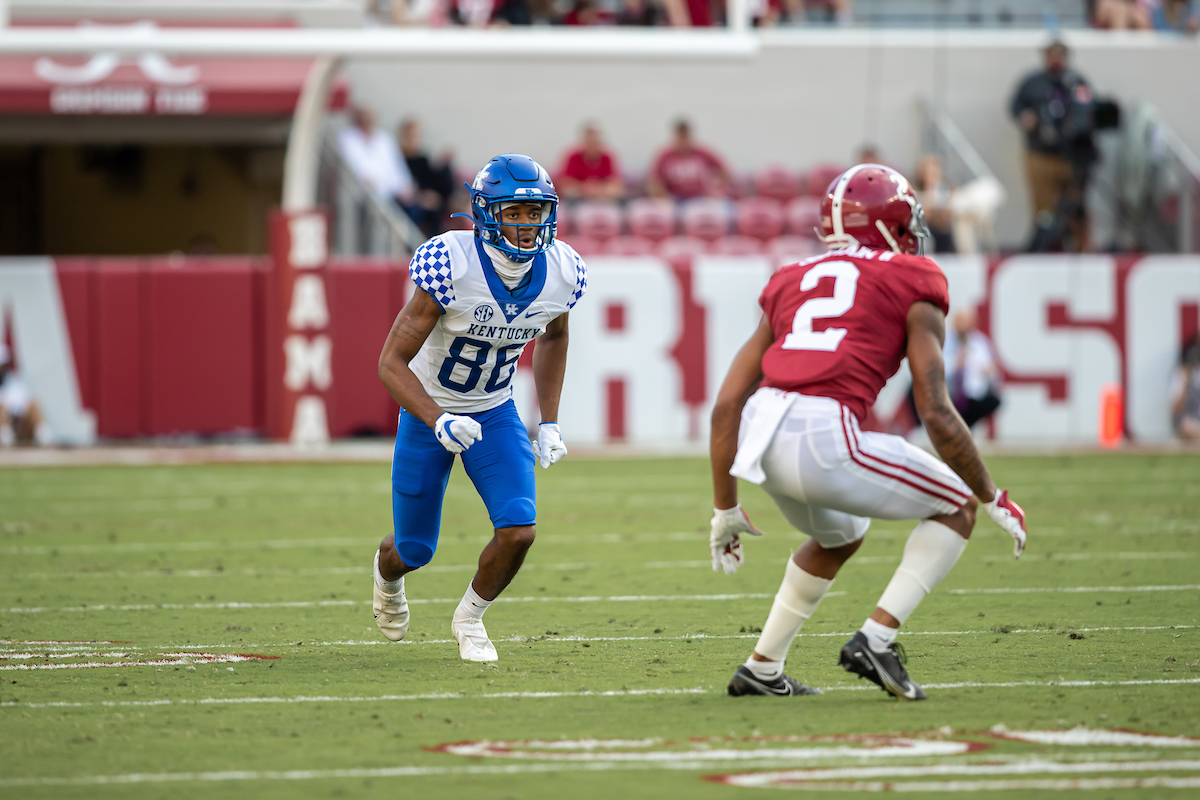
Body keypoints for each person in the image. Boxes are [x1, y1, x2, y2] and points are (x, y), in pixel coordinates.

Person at [708, 164, 1028, 701]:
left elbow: (726, 405)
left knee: (841, 534)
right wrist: (991, 494)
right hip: (822, 432)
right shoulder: (914, 276)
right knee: (957, 507)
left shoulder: (791, 277)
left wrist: (724, 509)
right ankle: (876, 640)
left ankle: (762, 667)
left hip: (762, 438)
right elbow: (936, 411)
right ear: (890, 224)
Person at [371, 154, 587, 662]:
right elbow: (391, 362)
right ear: (487, 212)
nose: (529, 224)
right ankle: (385, 576)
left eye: (536, 212)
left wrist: (549, 419)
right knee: (414, 550)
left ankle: (469, 619)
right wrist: (437, 417)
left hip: (494, 410)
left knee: (519, 529)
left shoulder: (561, 270)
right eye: (516, 212)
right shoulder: (453, 263)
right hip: (430, 412)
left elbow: (554, 336)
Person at [1009, 40, 1096, 252]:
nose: (1056, 59)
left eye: (1060, 55)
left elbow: (1089, 109)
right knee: (1044, 208)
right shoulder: (1033, 82)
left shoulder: (1076, 81)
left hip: (1071, 156)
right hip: (1040, 154)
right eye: (1051, 54)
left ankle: (1080, 249)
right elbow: (1014, 106)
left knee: (1076, 206)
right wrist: (1025, 117)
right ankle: (1045, 248)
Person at [942, 308, 1002, 429]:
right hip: (949, 393)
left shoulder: (980, 342)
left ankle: (965, 429)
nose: (962, 327)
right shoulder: (944, 340)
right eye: (959, 322)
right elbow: (935, 370)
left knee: (994, 400)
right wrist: (955, 364)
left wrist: (989, 372)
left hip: (973, 396)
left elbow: (993, 372)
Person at [399, 117, 457, 238]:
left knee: (436, 206)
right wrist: (419, 197)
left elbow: (428, 182)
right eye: (410, 136)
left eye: (416, 136)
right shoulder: (397, 157)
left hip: (420, 198)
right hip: (405, 200)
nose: (413, 139)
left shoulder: (422, 159)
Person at [647, 119, 731, 201]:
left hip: (700, 197)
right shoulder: (665, 156)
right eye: (680, 137)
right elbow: (655, 180)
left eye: (685, 137)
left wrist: (716, 190)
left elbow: (723, 170)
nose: (683, 141)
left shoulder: (702, 153)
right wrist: (663, 196)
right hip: (674, 198)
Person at [557, 122, 625, 202]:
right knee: (569, 190)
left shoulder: (607, 157)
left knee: (615, 190)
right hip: (580, 190)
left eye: (595, 142)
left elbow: (614, 180)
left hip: (602, 191)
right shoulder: (574, 156)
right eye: (590, 142)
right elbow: (566, 180)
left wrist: (598, 188)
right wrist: (584, 187)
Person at [0, 344, 51, 446]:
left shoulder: (14, 384)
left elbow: (24, 405)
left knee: (33, 404)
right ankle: (5, 444)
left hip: (18, 428)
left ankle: (45, 441)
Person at [1170, 334, 1200, 441]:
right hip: (1189, 423)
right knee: (1186, 426)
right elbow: (1175, 409)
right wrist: (1186, 385)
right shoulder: (1183, 374)